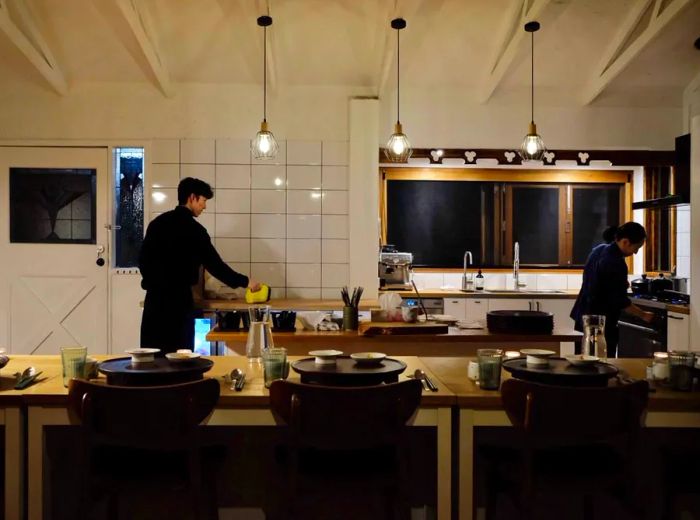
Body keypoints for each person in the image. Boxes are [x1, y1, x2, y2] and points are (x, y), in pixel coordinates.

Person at [139, 177, 261, 354]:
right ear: (192, 197)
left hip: (154, 302)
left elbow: (142, 260)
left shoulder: (157, 224)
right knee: (180, 360)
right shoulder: (195, 231)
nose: (205, 206)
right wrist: (246, 282)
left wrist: (155, 282)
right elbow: (216, 266)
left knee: (151, 357)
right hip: (179, 304)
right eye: (203, 200)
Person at [570, 222, 655, 358]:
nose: (635, 252)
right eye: (637, 247)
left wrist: (620, 283)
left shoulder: (599, 249)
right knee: (600, 362)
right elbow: (620, 301)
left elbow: (599, 281)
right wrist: (643, 315)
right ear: (626, 242)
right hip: (599, 321)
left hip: (583, 316)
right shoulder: (616, 262)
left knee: (582, 360)